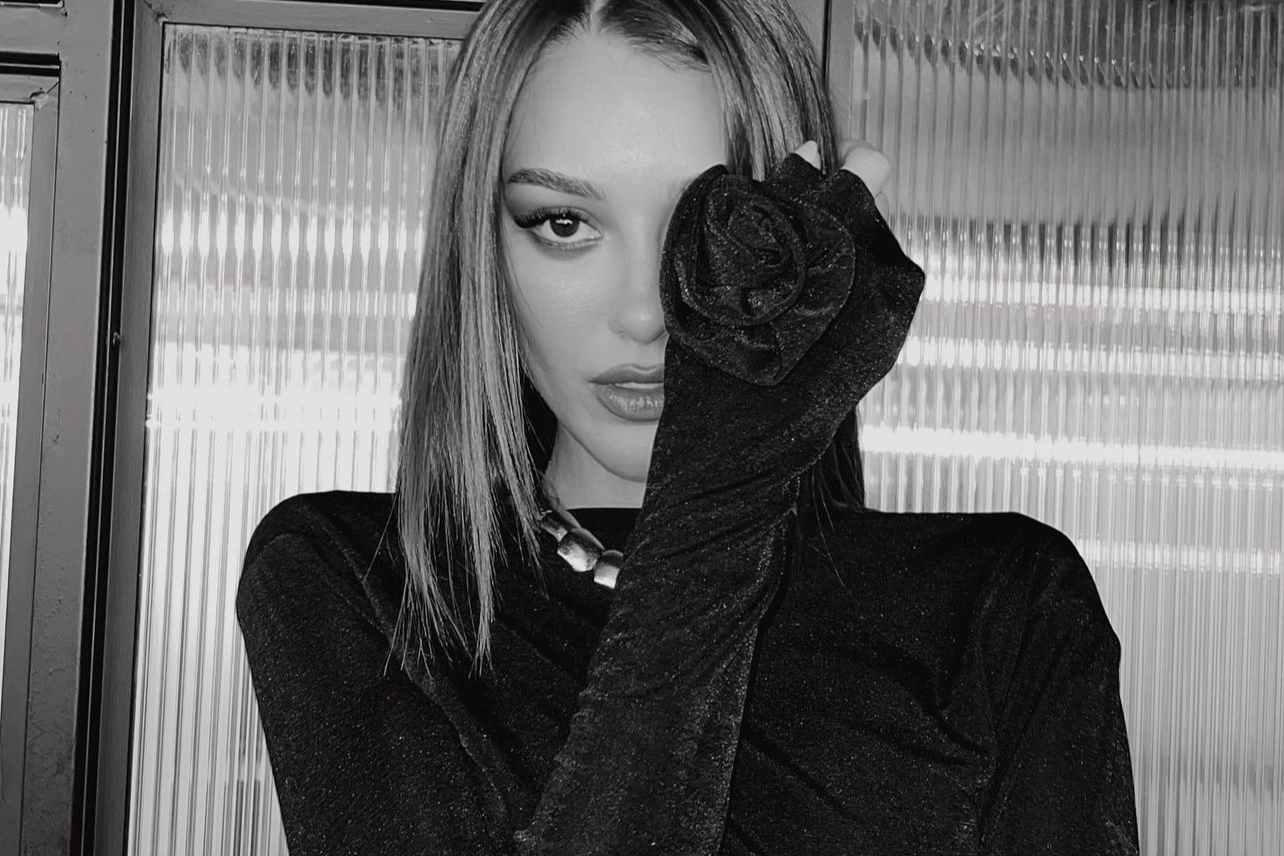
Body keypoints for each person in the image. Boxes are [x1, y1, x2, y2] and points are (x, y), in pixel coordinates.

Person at [236, 0, 1141, 854]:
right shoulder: (358, 585)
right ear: (485, 250)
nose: (642, 314)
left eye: (706, 233)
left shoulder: (1003, 610)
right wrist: (718, 494)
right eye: (563, 223)